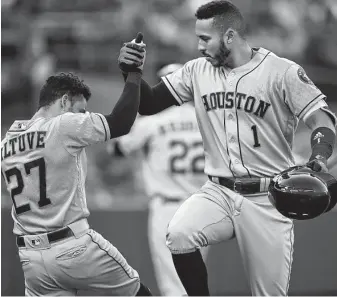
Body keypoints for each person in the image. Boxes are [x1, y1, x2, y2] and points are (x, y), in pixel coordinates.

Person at [117, 1, 337, 296]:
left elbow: (321, 120)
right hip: (218, 190)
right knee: (180, 234)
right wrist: (131, 73)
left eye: (205, 38)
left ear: (230, 36)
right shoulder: (197, 71)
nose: (198, 46)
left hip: (267, 196)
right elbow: (149, 103)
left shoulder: (280, 72)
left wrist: (319, 157)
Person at [1, 59, 152, 294]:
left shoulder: (7, 141)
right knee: (137, 292)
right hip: (72, 246)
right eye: (80, 110)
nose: (83, 116)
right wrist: (133, 74)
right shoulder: (61, 125)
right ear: (63, 101)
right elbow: (121, 122)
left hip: (30, 258)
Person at [108, 63, 209, 296]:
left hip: (168, 208)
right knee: (195, 281)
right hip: (204, 208)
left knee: (174, 285)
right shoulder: (207, 119)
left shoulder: (152, 122)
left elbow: (117, 150)